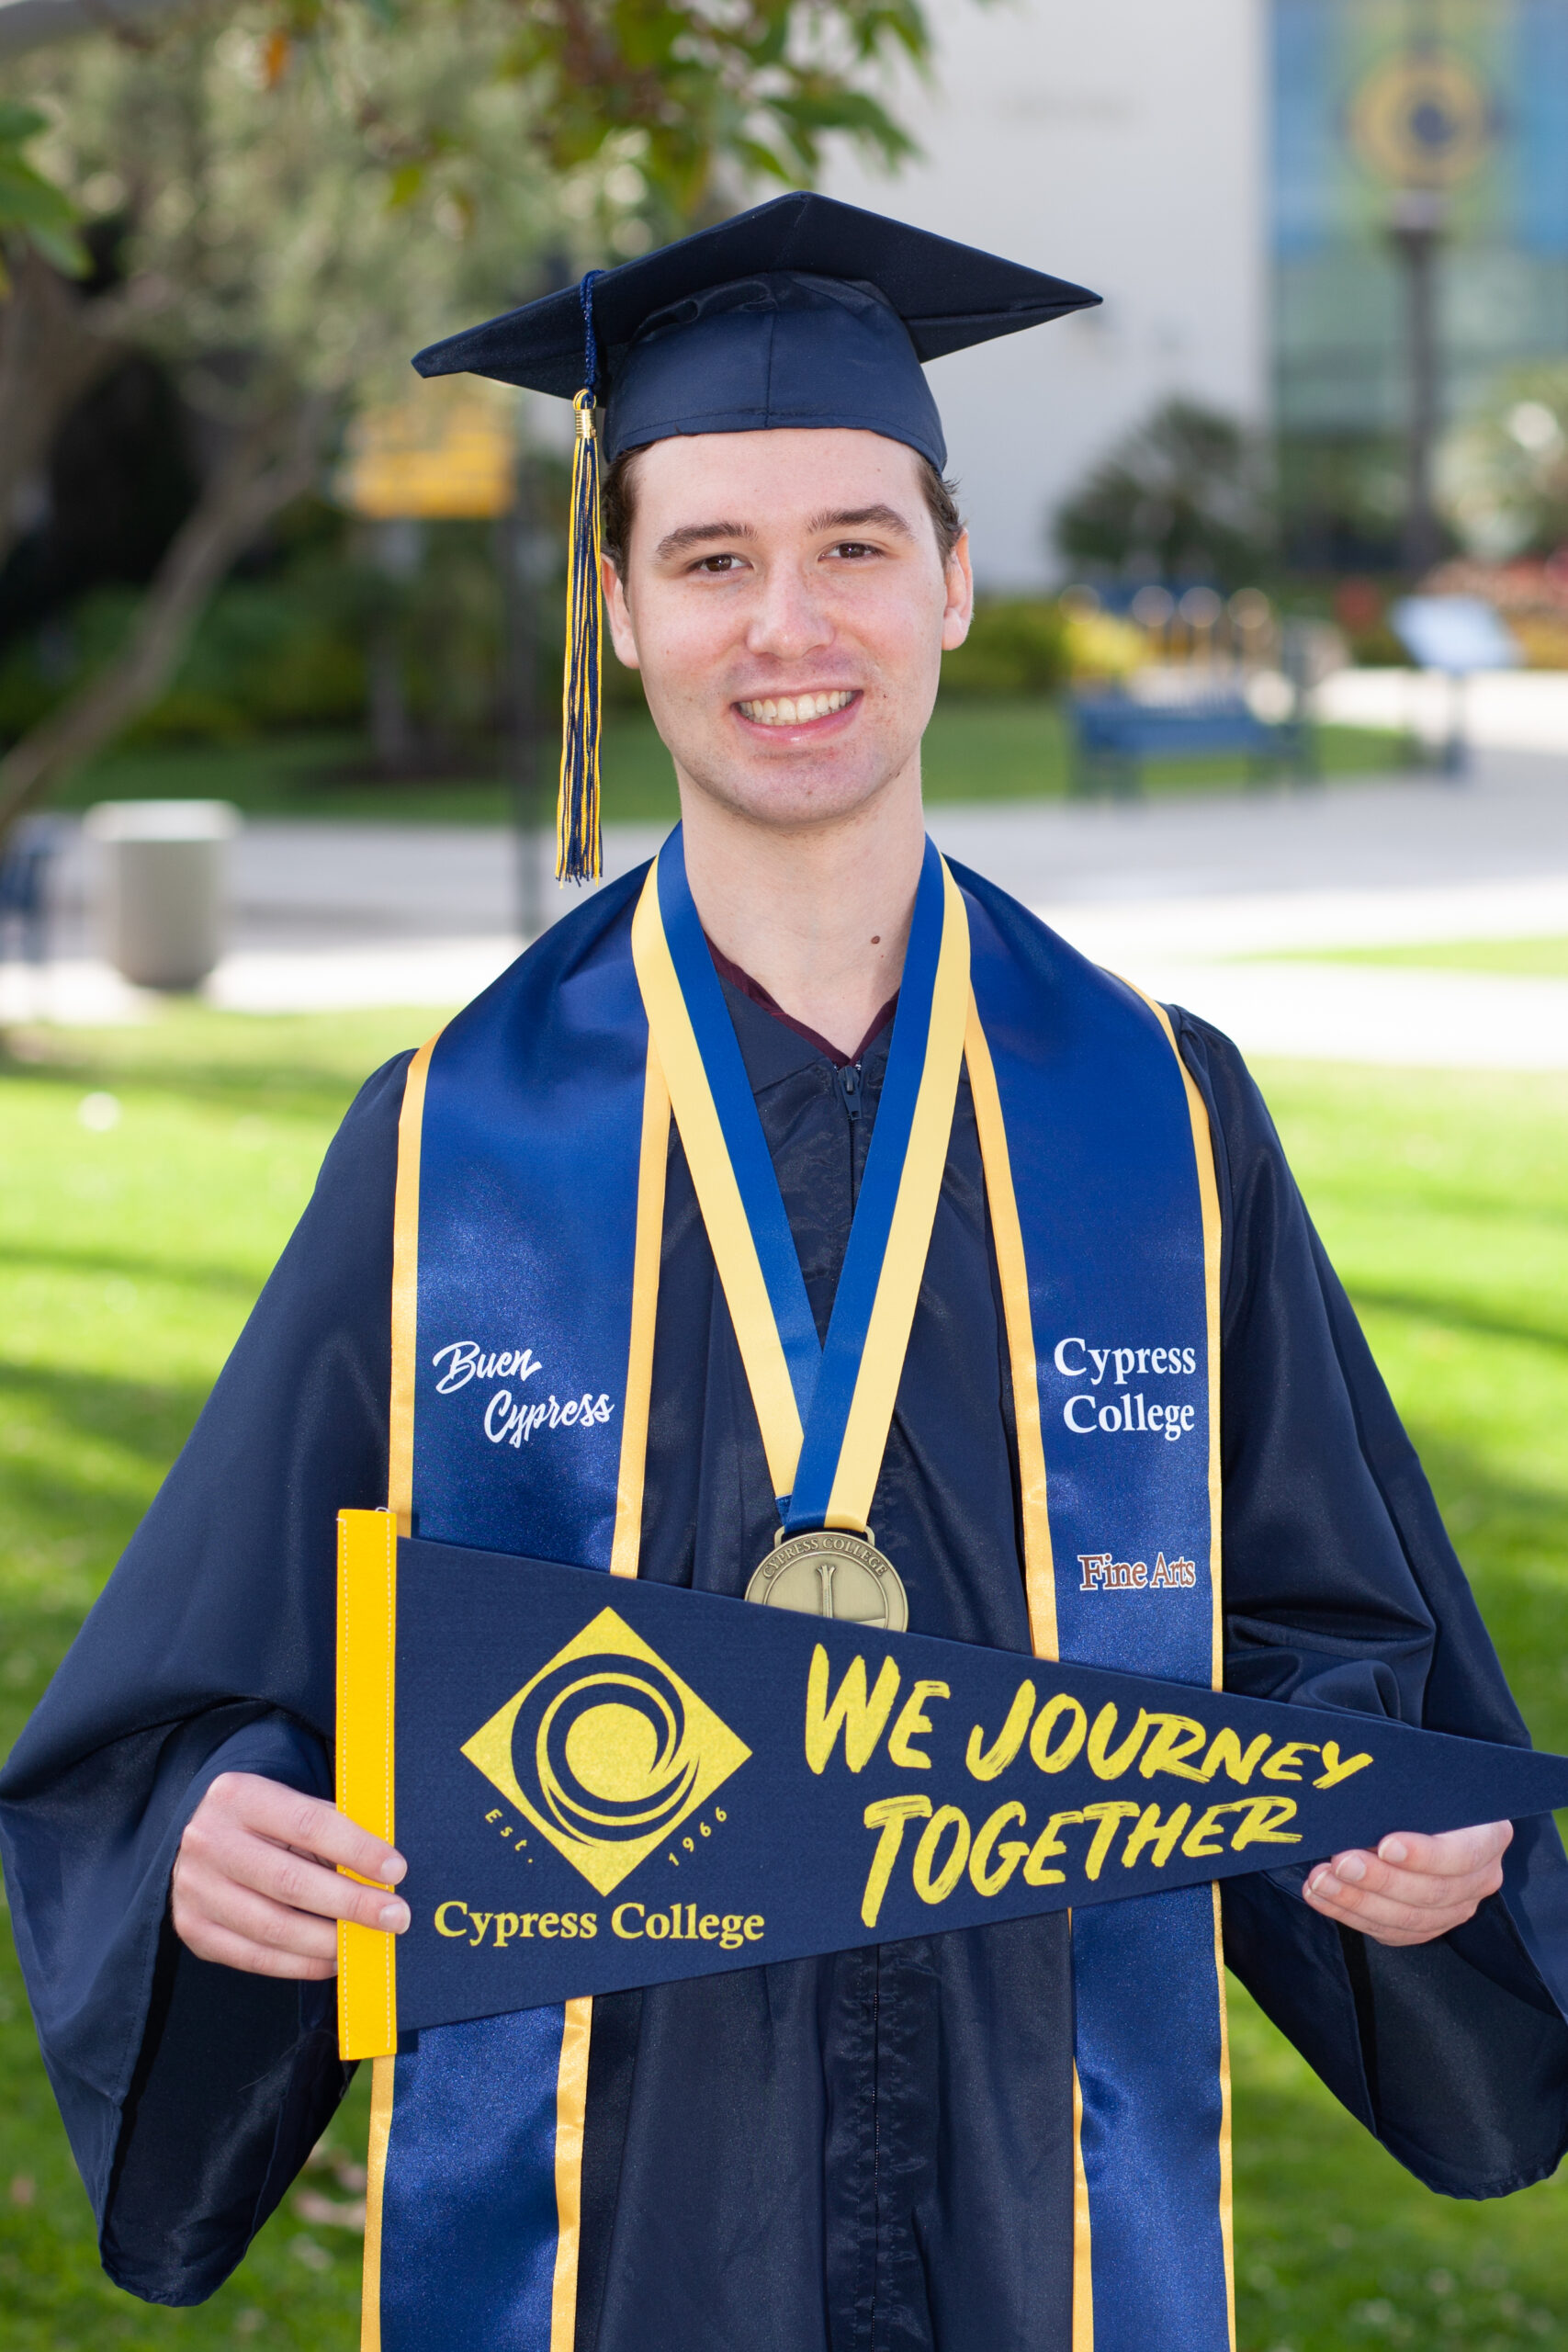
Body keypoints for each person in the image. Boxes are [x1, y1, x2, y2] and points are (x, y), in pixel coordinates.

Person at [2, 193, 1564, 2352]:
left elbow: (1324, 1630)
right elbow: (195, 1703)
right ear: (619, 615)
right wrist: (204, 1837)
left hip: (1050, 2198)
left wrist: (1368, 1834)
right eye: (708, 557)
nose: (786, 620)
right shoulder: (457, 1139)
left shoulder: (1157, 1118)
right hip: (604, 2203)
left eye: (848, 542)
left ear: (948, 577)